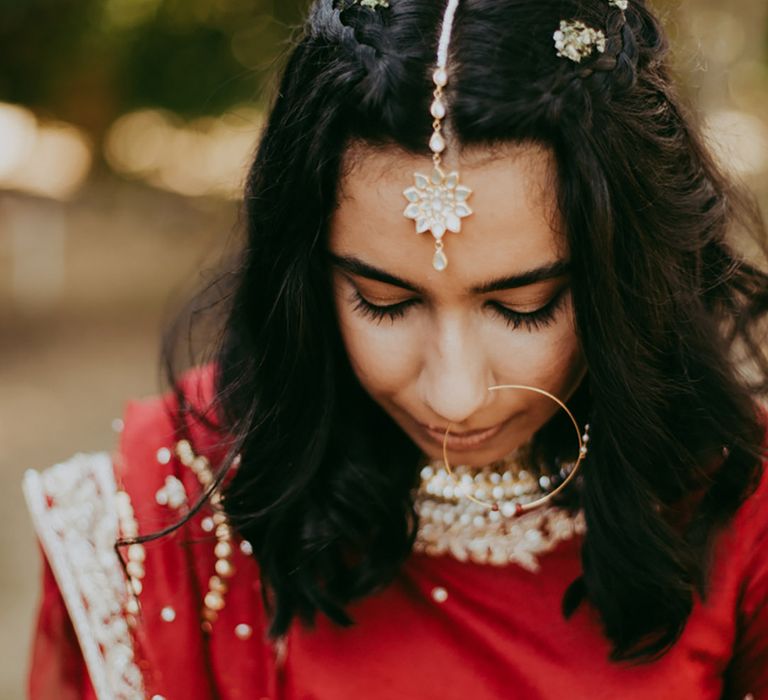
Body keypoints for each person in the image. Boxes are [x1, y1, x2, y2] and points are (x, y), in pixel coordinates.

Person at [22, 0, 768, 698]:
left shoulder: (740, 504)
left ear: (627, 278)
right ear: (309, 277)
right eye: (385, 303)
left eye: (522, 308)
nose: (453, 395)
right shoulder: (174, 508)